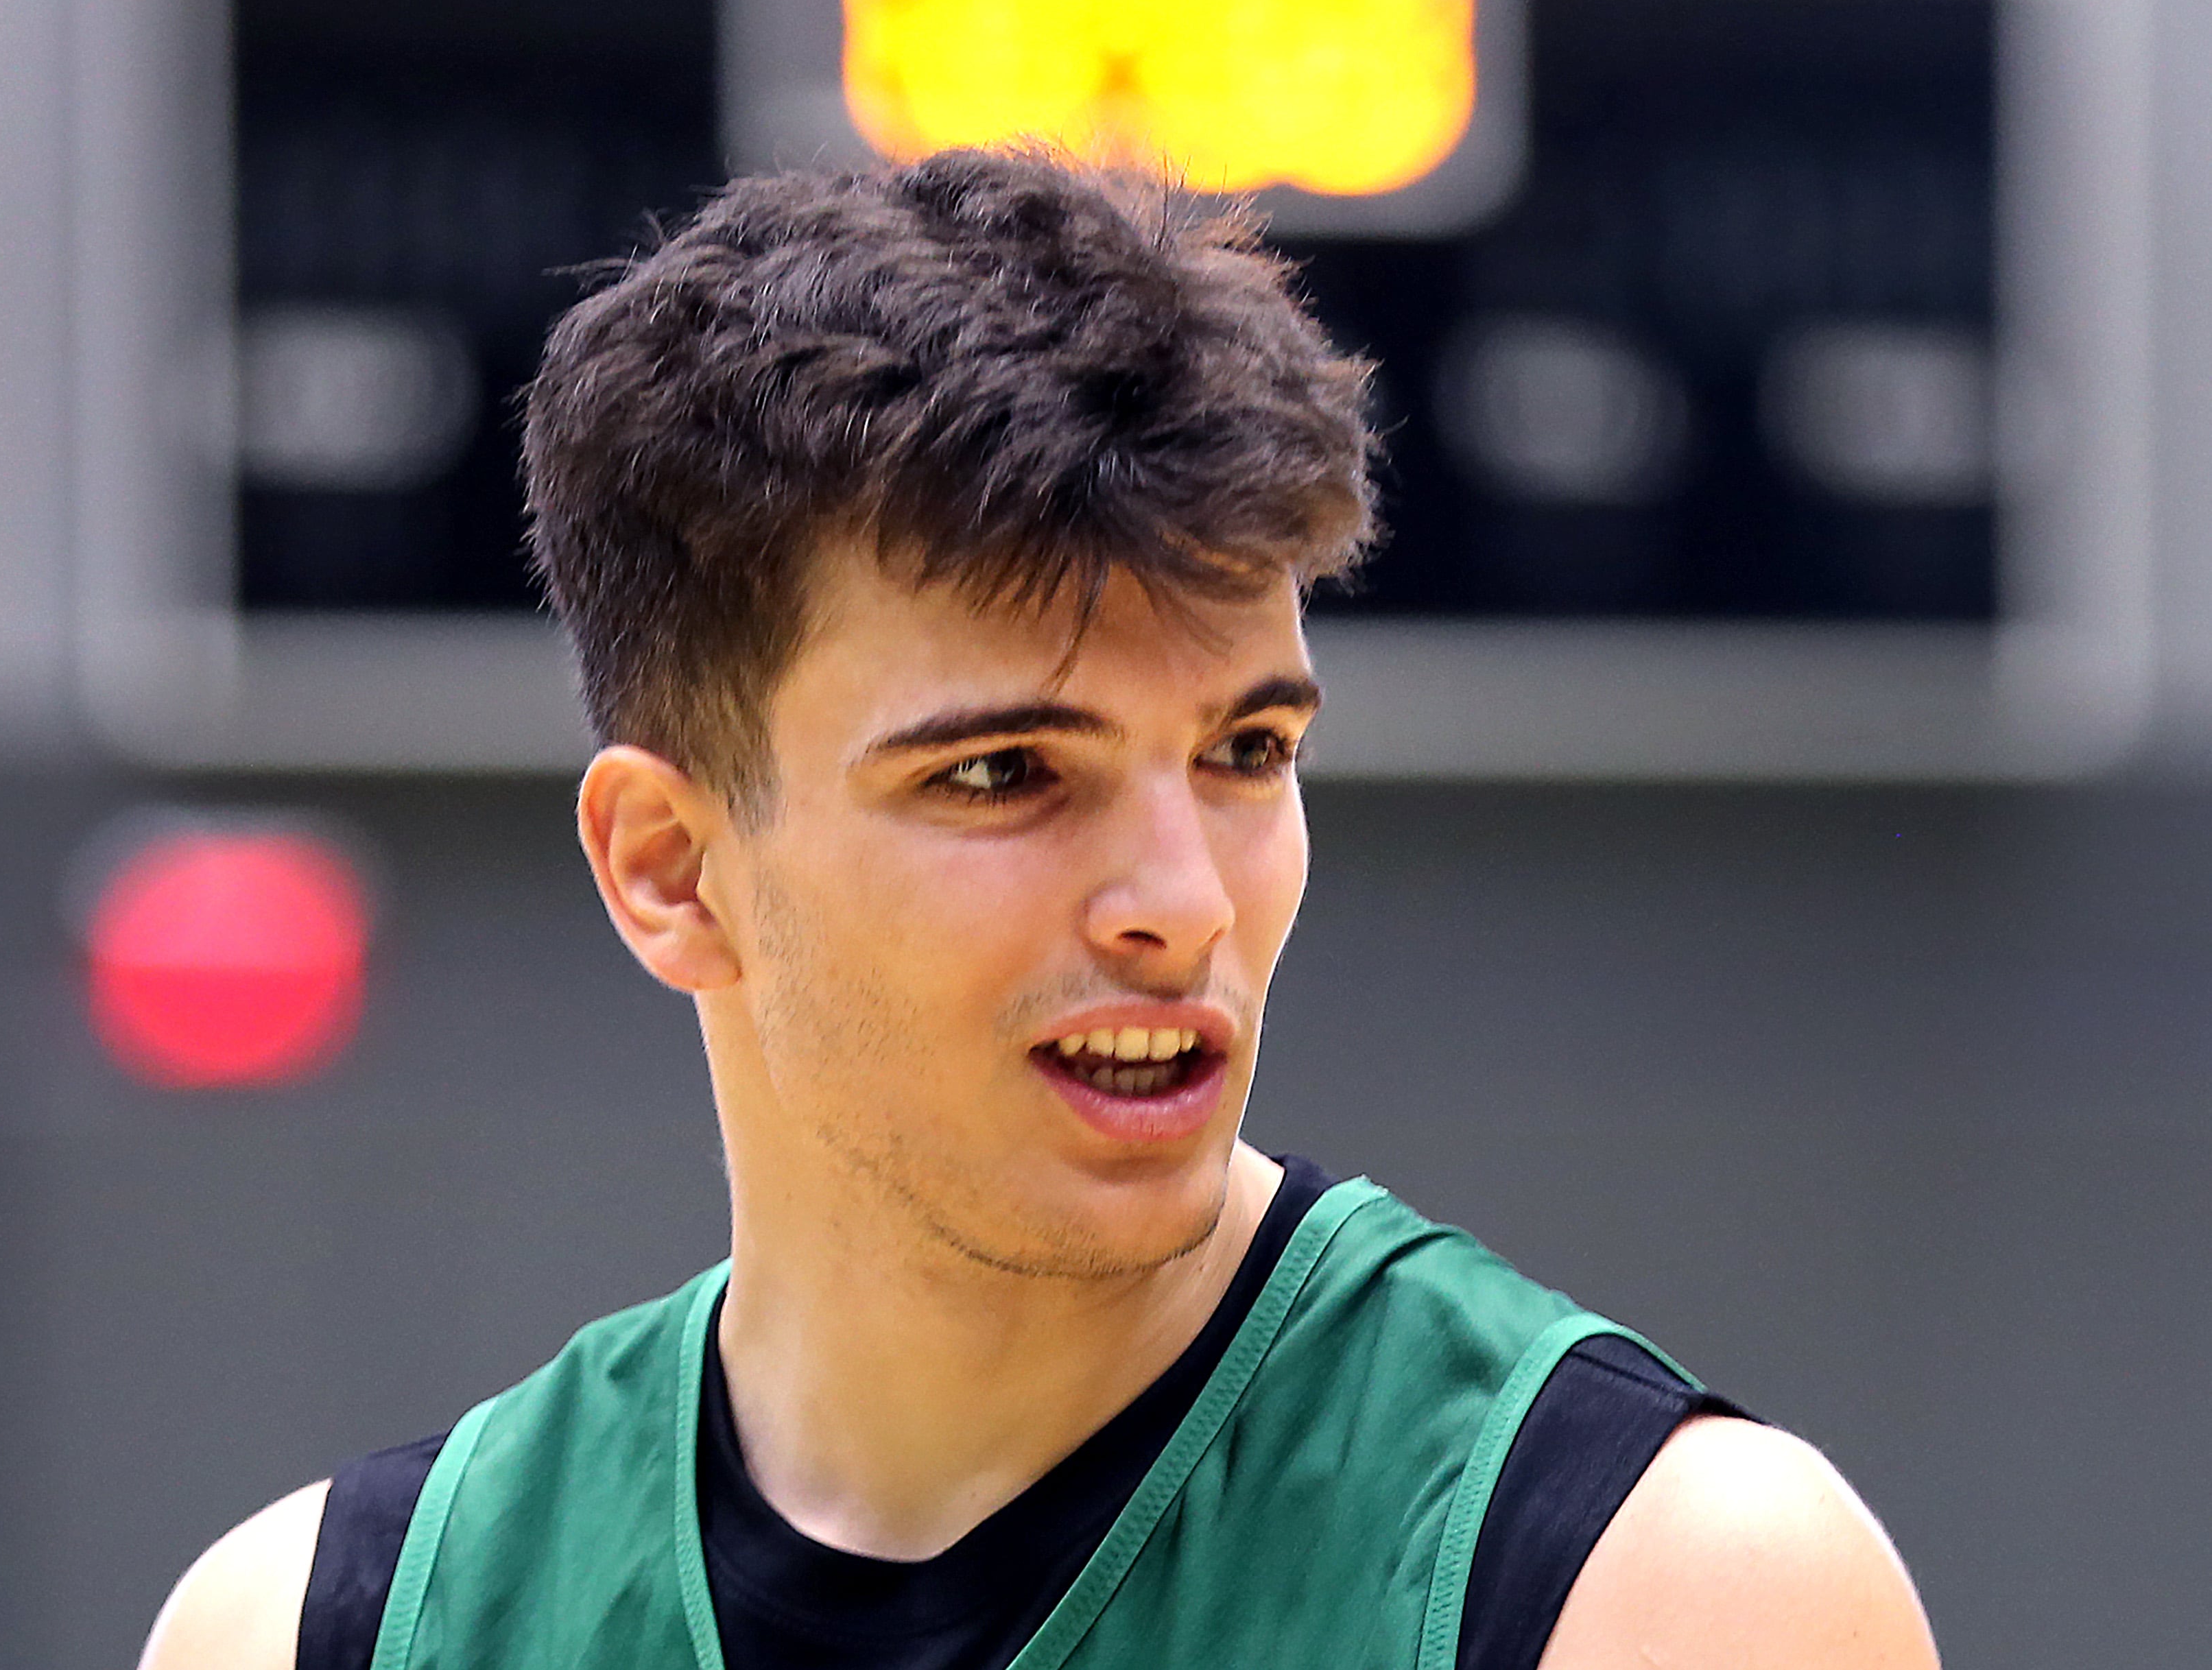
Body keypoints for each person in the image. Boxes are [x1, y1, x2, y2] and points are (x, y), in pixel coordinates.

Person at [139, 147, 1940, 1670]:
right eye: (1005, 774)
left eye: (1242, 750)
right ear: (671, 869)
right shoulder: (316, 1627)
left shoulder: (1674, 1586)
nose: (1178, 900)